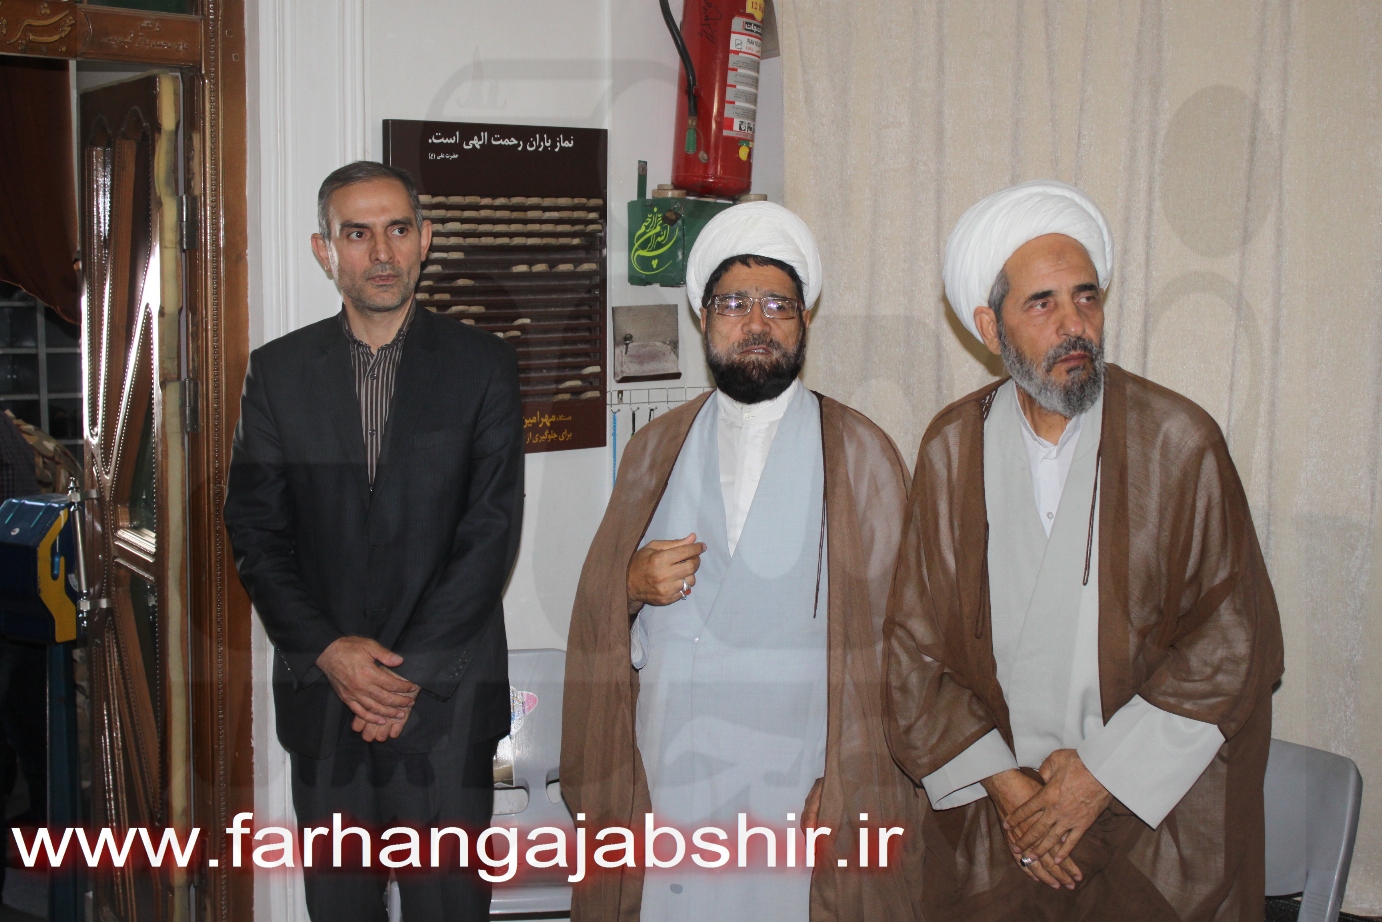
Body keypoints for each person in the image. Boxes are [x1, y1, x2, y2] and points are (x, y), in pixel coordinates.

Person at [883, 180, 1284, 921]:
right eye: (1043, 304)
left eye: (1087, 297)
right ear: (988, 325)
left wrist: (1099, 776)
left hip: (1149, 814)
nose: (1075, 325)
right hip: (1002, 821)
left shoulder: (1178, 441)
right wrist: (1011, 791)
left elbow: (1233, 641)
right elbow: (914, 651)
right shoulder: (951, 448)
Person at [562, 202, 922, 922]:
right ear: (703, 319)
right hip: (671, 770)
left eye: (777, 305)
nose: (755, 323)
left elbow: (904, 645)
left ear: (804, 320)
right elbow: (600, 604)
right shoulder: (654, 449)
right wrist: (627, 585)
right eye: (733, 304)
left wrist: (852, 778)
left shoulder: (862, 453)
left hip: (802, 776)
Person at [225, 161, 524, 921]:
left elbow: (490, 533)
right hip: (325, 707)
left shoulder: (483, 365)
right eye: (357, 234)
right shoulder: (277, 373)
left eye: (397, 230)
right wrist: (330, 652)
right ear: (324, 251)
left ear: (426, 239)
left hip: (447, 704)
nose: (382, 253)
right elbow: (256, 532)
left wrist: (403, 677)